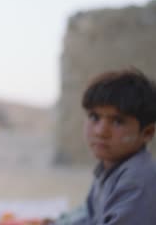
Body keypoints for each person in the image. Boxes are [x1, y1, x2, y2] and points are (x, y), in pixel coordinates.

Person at [48, 68, 156, 224]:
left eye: (118, 121)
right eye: (94, 117)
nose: (100, 132)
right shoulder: (109, 168)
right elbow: (90, 217)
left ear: (147, 133)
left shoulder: (136, 183)